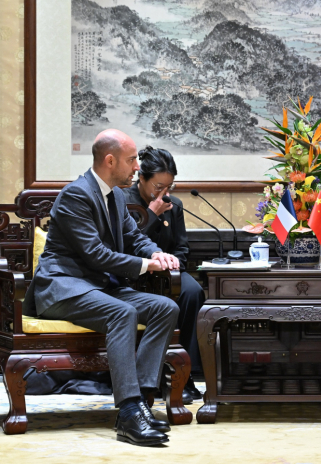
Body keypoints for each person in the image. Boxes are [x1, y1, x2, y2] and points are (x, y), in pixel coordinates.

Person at [24, 129, 182, 447]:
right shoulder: (75, 195)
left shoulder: (116, 196)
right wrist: (145, 265)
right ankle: (128, 413)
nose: (137, 166)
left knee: (165, 308)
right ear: (110, 161)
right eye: (131, 159)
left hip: (98, 288)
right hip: (63, 288)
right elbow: (95, 254)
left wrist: (155, 253)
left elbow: (134, 237)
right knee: (122, 313)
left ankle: (142, 401)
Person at [123, 146, 205, 404]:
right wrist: (152, 216)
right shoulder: (122, 201)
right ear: (142, 178)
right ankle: (150, 377)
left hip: (168, 273)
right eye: (158, 187)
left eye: (169, 187)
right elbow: (124, 246)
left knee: (193, 292)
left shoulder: (174, 205)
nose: (165, 194)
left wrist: (173, 266)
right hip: (133, 272)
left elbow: (181, 247)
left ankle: (186, 376)